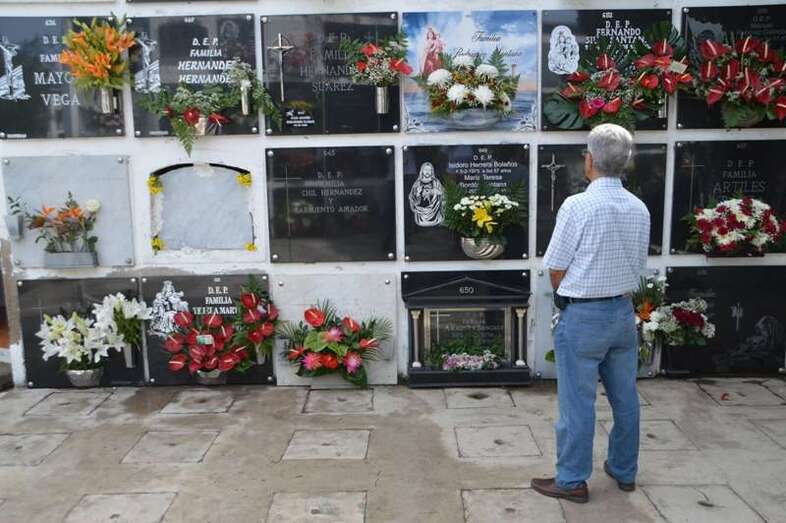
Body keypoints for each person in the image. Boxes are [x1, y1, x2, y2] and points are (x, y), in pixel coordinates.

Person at [532, 124, 650, 504]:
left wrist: (568, 296)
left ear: (589, 160)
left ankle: (571, 481)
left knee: (577, 403)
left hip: (584, 317)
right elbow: (639, 262)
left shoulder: (578, 205)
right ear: (626, 164)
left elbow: (556, 266)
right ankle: (624, 470)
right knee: (625, 398)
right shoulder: (639, 207)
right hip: (622, 314)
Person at [408, 162, 445, 227]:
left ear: (432, 171)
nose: (427, 172)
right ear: (422, 171)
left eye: (429, 170)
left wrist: (434, 191)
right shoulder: (417, 183)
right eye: (425, 170)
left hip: (434, 212)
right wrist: (418, 193)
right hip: (421, 213)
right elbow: (412, 197)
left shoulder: (436, 182)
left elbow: (442, 193)